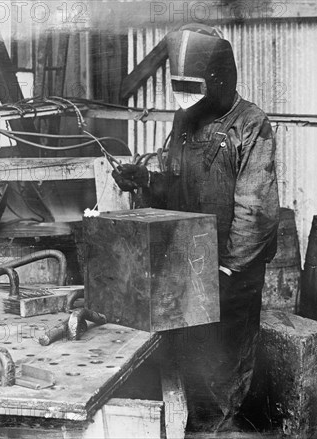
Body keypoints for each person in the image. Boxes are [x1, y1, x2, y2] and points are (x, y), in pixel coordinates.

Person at [112, 24, 280, 431]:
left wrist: (229, 269)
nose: (187, 94)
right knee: (183, 362)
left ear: (221, 78)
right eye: (181, 85)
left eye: (195, 84)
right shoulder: (184, 118)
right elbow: (175, 182)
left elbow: (256, 210)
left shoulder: (250, 124)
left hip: (230, 274)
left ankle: (218, 428)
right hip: (187, 264)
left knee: (221, 370)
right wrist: (146, 180)